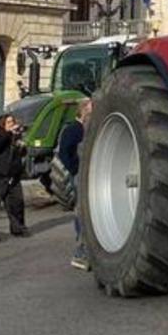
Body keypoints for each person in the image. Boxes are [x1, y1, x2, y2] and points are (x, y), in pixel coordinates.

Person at [57, 100, 92, 269]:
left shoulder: (89, 127)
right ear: (83, 112)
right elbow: (64, 153)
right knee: (81, 210)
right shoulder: (73, 130)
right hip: (79, 174)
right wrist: (75, 169)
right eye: (92, 109)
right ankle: (81, 251)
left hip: (89, 173)